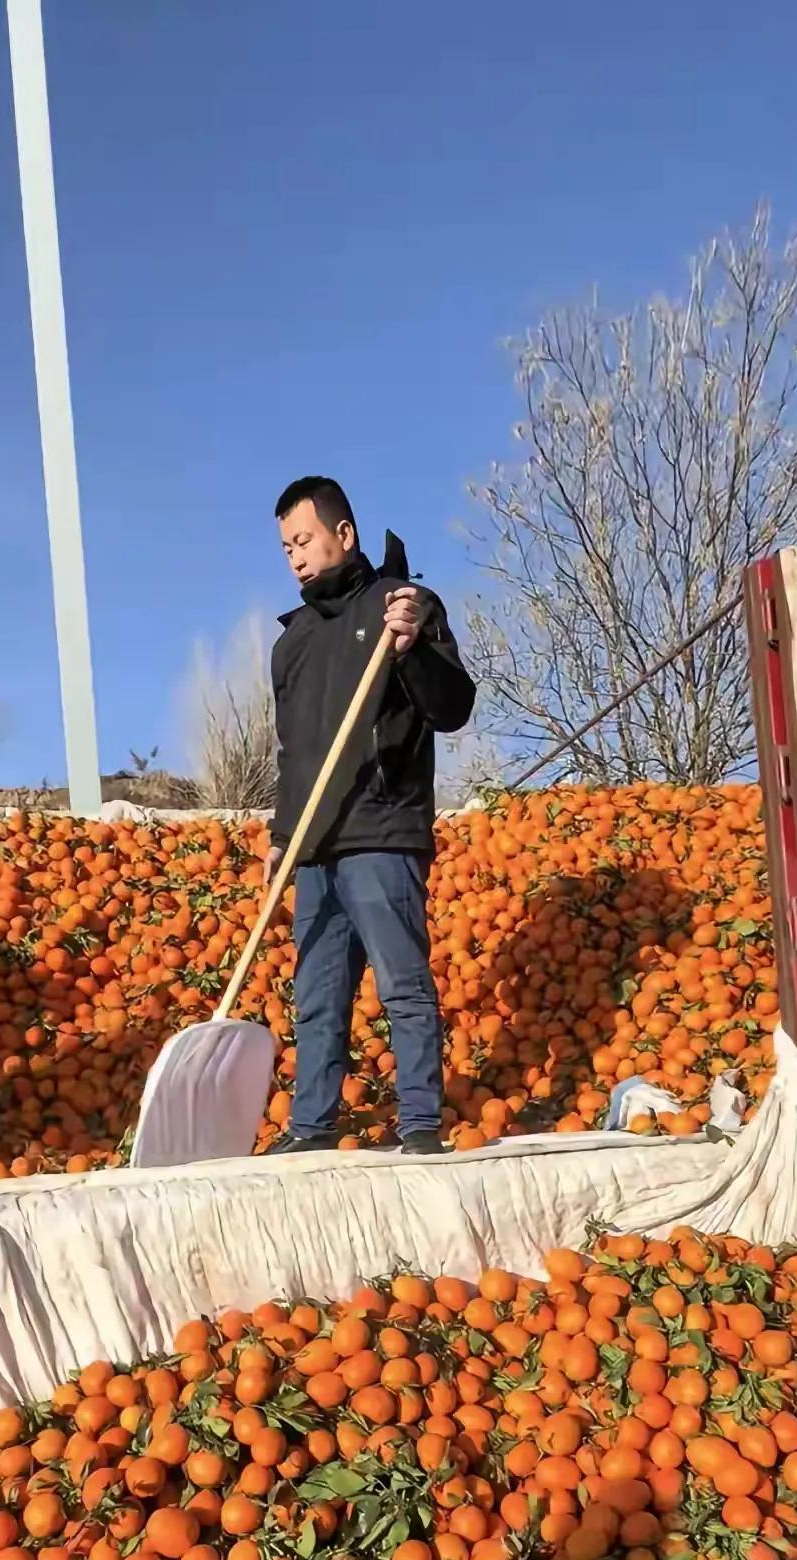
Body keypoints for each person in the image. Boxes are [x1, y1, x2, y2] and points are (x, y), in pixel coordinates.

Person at [265, 476, 475, 1157]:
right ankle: (311, 1125)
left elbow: (452, 708)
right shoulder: (291, 643)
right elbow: (294, 754)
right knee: (318, 997)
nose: (295, 556)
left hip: (381, 830)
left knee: (402, 984)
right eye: (286, 546)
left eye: (304, 539)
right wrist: (280, 837)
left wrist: (412, 647)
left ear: (343, 534)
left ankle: (419, 1124)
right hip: (316, 844)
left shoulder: (401, 605)